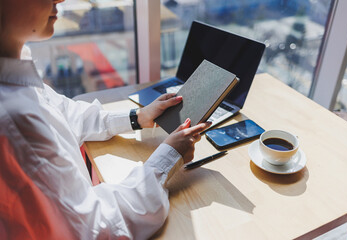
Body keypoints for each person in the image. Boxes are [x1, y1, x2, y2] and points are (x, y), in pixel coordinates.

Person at [0, 0, 211, 239]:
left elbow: (65, 114)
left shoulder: (14, 76)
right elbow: (98, 228)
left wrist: (137, 117)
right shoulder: (13, 120)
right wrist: (168, 157)